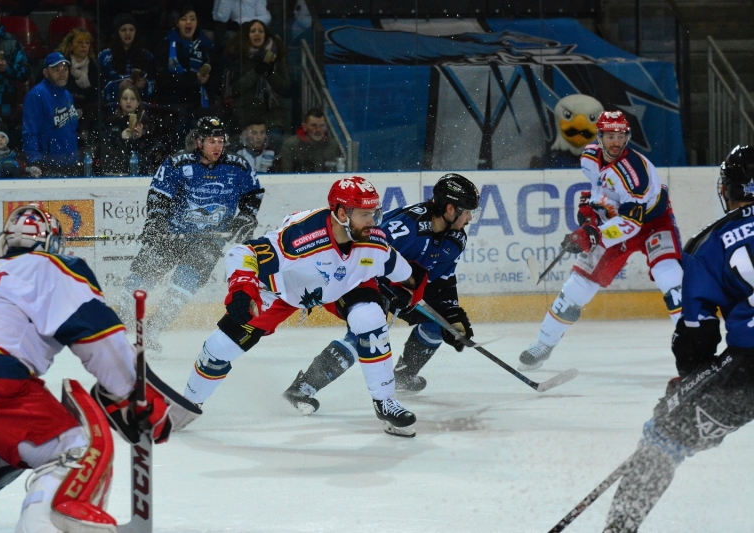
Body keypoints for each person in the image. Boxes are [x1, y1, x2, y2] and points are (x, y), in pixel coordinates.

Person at [0, 205, 198, 530]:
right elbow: (98, 336)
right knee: (80, 451)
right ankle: (47, 524)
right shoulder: (54, 266)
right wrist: (131, 393)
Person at [183, 176, 423, 437]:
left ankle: (385, 402)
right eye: (365, 215)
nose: (373, 222)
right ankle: (188, 404)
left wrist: (408, 292)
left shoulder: (373, 241)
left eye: (374, 213)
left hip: (343, 287)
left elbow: (407, 275)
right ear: (342, 213)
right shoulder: (301, 238)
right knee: (220, 347)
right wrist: (242, 289)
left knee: (370, 317)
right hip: (284, 291)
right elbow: (243, 253)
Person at [601, 145, 754, 532]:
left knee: (665, 435)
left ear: (728, 189)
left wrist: (690, 379)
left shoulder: (711, 244)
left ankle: (618, 529)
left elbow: (696, 332)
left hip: (749, 371)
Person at [282, 174, 480, 409]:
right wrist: (387, 288)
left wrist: (452, 314)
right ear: (450, 209)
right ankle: (302, 387)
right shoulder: (407, 227)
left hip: (401, 290)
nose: (469, 218)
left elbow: (443, 281)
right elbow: (360, 254)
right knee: (366, 334)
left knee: (438, 323)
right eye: (467, 211)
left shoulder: (456, 238)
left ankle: (404, 376)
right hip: (357, 282)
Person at [518, 110, 684, 370]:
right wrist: (589, 215)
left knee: (671, 279)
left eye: (620, 136)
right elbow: (601, 190)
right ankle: (543, 342)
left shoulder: (634, 174)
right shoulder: (589, 158)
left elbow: (631, 224)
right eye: (609, 136)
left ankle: (691, 345)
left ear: (627, 137)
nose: (615, 142)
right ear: (600, 137)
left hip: (653, 222)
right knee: (577, 285)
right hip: (619, 222)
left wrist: (592, 234)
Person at [117, 116, 264, 351]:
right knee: (142, 278)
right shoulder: (177, 163)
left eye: (220, 141)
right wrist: (155, 222)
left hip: (208, 242)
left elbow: (253, 195)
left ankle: (152, 330)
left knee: (182, 288)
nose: (217, 146)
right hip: (172, 235)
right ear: (198, 142)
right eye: (211, 141)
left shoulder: (239, 167)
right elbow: (158, 195)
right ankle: (117, 321)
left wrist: (246, 216)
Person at [153, 5, 218, 151]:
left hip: (200, 108)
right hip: (173, 108)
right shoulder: (165, 46)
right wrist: (192, 79)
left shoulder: (206, 47)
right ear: (177, 23)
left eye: (192, 19)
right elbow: (162, 79)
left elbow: (216, 78)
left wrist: (207, 80)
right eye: (184, 19)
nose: (188, 23)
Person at [223, 19, 289, 148]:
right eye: (253, 31)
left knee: (274, 140)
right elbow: (233, 89)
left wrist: (270, 74)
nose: (257, 34)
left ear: (266, 35)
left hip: (272, 115)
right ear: (246, 35)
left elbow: (285, 87)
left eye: (261, 31)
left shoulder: (276, 57)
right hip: (244, 115)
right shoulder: (237, 57)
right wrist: (255, 72)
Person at [21, 52, 80, 177]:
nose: (62, 73)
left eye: (65, 69)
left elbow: (71, 129)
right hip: (48, 165)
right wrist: (35, 161)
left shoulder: (67, 95)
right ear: (45, 72)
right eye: (56, 69)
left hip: (71, 163)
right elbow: (30, 131)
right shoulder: (36, 95)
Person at [97, 13, 156, 107]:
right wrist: (118, 87)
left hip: (141, 108)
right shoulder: (103, 57)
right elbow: (99, 90)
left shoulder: (147, 56)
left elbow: (154, 89)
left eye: (131, 30)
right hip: (113, 108)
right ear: (117, 32)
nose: (128, 33)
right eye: (123, 30)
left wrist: (144, 85)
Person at [98, 81, 150, 175]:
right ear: (119, 101)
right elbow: (103, 144)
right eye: (125, 98)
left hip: (140, 172)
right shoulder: (111, 121)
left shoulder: (145, 122)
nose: (128, 102)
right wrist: (119, 136)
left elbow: (151, 149)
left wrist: (141, 137)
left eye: (132, 99)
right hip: (116, 171)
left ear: (138, 102)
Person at [278, 107, 342, 173]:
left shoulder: (333, 146)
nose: (318, 130)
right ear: (304, 127)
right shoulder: (290, 145)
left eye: (322, 125)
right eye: (313, 125)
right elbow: (285, 175)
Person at [57, 28, 100, 120]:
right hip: (61, 113)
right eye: (79, 42)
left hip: (88, 116)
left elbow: (96, 99)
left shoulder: (94, 67)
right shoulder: (60, 64)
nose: (84, 45)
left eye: (87, 42)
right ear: (70, 45)